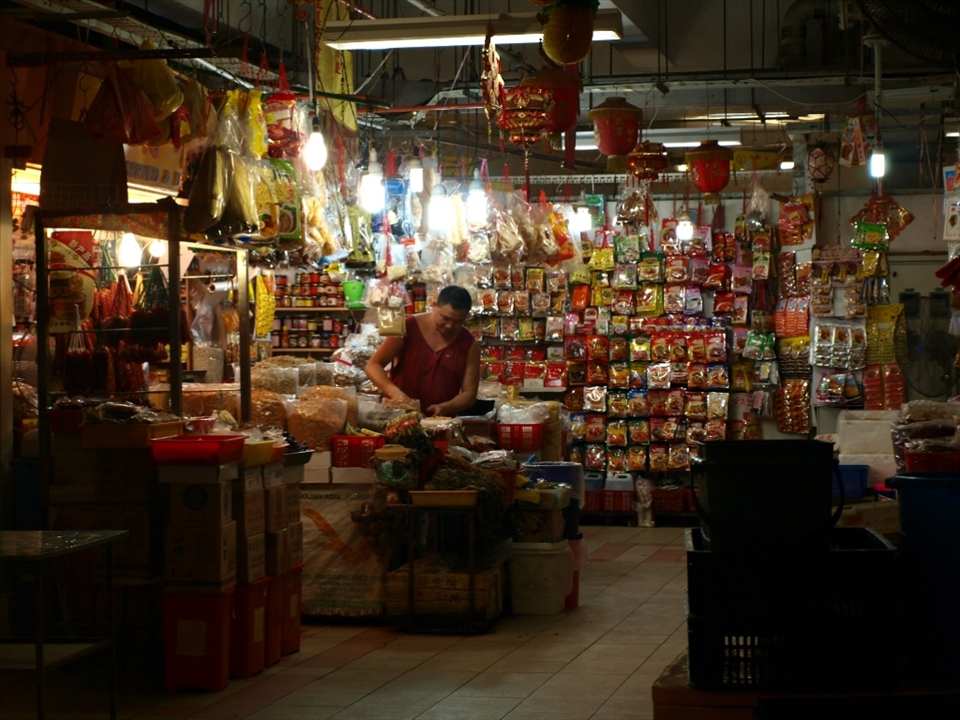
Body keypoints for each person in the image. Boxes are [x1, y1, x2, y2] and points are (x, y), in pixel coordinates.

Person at [365, 285, 480, 417]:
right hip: (399, 416)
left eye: (458, 321)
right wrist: (395, 393)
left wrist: (444, 408)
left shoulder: (470, 345)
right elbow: (373, 365)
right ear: (434, 305)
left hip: (440, 422)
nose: (450, 326)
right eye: (445, 318)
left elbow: (469, 394)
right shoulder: (408, 327)